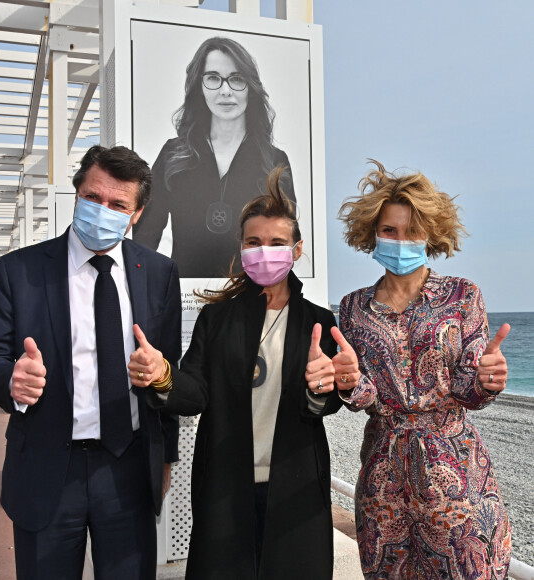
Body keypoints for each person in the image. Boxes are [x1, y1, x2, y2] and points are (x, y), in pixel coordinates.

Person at [0, 145, 182, 580]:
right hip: (48, 466)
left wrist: (166, 458)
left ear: (136, 213)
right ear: (77, 194)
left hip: (128, 467)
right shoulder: (17, 271)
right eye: (93, 198)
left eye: (118, 204)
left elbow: (168, 371)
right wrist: (10, 379)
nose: (103, 210)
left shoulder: (159, 273)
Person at [128, 167, 341, 579]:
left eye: (278, 243)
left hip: (296, 486)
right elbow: (194, 392)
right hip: (225, 485)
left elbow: (327, 404)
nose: (265, 251)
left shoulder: (317, 321)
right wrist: (162, 376)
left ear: (297, 250)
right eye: (254, 242)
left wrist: (324, 386)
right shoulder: (217, 319)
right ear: (241, 248)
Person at [333, 160, 512, 579]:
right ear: (372, 234)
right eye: (390, 231)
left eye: (412, 231)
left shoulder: (463, 296)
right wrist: (348, 382)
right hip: (383, 474)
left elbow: (470, 391)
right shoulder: (354, 308)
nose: (400, 241)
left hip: (456, 469)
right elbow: (366, 399)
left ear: (430, 232)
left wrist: (489, 381)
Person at [133, 36, 296, 279]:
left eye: (237, 79)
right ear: (199, 86)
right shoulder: (173, 155)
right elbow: (144, 240)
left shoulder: (274, 161)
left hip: (250, 298)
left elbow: (286, 242)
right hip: (185, 299)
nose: (225, 91)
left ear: (250, 87)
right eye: (213, 78)